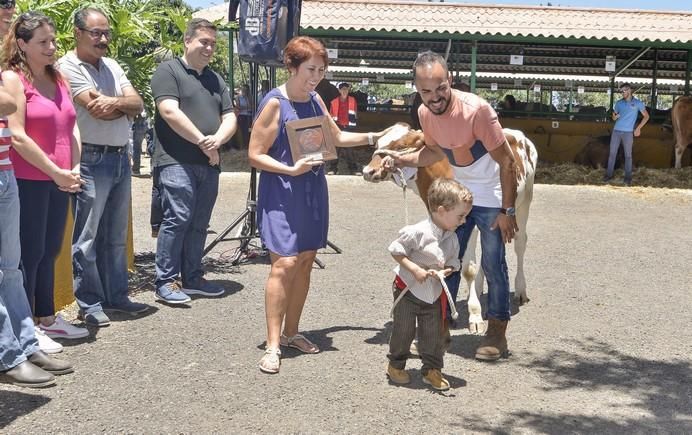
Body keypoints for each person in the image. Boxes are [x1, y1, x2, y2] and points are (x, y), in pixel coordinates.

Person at [248, 35, 390, 374]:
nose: (316, 77)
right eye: (310, 69)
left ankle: (292, 332)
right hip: (282, 190)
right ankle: (272, 344)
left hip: (312, 190)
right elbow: (254, 155)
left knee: (307, 261)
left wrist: (377, 137)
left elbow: (337, 137)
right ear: (292, 66)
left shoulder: (315, 100)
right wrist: (289, 168)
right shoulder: (274, 103)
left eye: (322, 70)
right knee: (284, 263)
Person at [382, 51, 518, 362]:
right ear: (417, 89)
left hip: (492, 196)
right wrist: (400, 159)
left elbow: (508, 162)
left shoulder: (477, 111)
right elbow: (432, 153)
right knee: (446, 259)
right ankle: (440, 326)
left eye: (440, 88)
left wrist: (507, 211)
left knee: (492, 264)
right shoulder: (425, 113)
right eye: (426, 91)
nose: (434, 97)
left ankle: (497, 329)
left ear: (450, 81)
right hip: (461, 196)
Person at [2, 11, 89, 347]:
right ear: (22, 44)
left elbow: (72, 125)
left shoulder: (60, 78)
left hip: (62, 178)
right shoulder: (12, 79)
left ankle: (48, 318)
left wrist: (74, 168)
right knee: (29, 254)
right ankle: (27, 328)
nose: (52, 47)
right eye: (43, 42)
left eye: (53, 41)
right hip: (28, 178)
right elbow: (18, 136)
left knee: (52, 249)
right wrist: (56, 171)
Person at [59, 7, 150, 327]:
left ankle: (117, 297)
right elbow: (94, 109)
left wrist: (119, 105)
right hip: (90, 159)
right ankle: (89, 301)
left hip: (119, 156)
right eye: (96, 33)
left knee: (114, 235)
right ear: (78, 33)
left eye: (106, 33)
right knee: (87, 237)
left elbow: (137, 104)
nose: (103, 39)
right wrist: (121, 106)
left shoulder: (111, 65)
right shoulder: (67, 66)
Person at [150, 18, 237, 304]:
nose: (209, 48)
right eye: (204, 42)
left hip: (208, 163)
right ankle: (166, 281)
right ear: (187, 41)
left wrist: (218, 141)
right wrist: (203, 141)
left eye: (212, 43)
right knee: (178, 218)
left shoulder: (216, 79)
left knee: (200, 222)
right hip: (175, 160)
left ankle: (193, 277)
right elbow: (169, 111)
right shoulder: (168, 71)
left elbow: (230, 117)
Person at [386, 178, 472, 391]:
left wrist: (446, 271)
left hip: (433, 292)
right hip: (408, 289)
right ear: (442, 211)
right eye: (461, 216)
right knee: (403, 329)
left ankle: (432, 369)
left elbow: (454, 262)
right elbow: (396, 250)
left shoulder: (452, 238)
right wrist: (414, 269)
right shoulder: (418, 231)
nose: (463, 221)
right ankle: (396, 364)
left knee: (433, 333)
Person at [604, 83, 649, 185]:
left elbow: (646, 116)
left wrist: (638, 128)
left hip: (628, 133)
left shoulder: (638, 103)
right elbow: (613, 117)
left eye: (624, 91)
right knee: (612, 154)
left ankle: (628, 178)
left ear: (629, 90)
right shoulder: (619, 103)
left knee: (628, 155)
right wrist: (615, 117)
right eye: (621, 91)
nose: (622, 93)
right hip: (616, 131)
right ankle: (608, 175)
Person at [327, 82, 359, 175]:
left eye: (346, 89)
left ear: (348, 90)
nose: (344, 91)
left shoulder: (353, 100)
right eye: (342, 89)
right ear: (339, 90)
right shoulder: (334, 102)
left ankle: (353, 169)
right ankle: (333, 168)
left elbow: (355, 114)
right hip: (338, 127)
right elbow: (331, 115)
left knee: (350, 149)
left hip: (349, 127)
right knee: (336, 148)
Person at [131, 109, 149, 175]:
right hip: (147, 124)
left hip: (139, 125)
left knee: (136, 149)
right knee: (152, 146)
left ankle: (136, 170)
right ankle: (154, 170)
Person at [234, 83, 251, 148]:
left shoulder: (249, 97)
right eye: (243, 89)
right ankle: (242, 145)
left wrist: (245, 106)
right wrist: (246, 107)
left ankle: (247, 145)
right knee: (242, 131)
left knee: (248, 130)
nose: (245, 91)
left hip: (249, 115)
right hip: (242, 116)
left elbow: (251, 105)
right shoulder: (238, 97)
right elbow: (238, 106)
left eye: (246, 90)